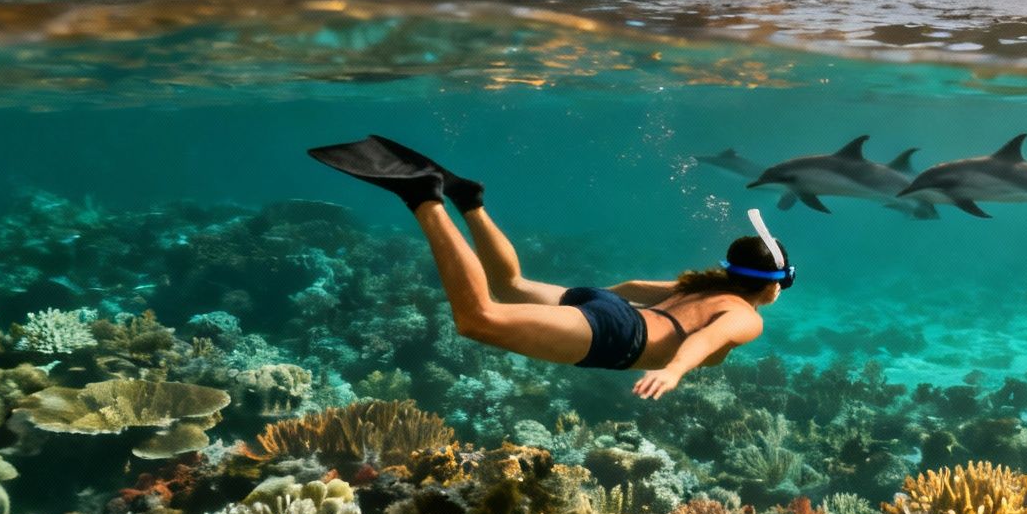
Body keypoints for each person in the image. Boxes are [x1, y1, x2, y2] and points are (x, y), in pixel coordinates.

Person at [308, 136, 790, 399]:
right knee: (478, 319)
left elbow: (634, 286)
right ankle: (424, 198)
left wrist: (591, 301)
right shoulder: (747, 315)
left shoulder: (702, 287)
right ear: (772, 286)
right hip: (617, 334)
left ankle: (469, 201)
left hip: (610, 312)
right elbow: (705, 340)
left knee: (510, 284)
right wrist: (675, 373)